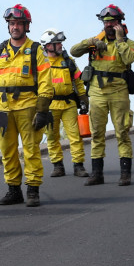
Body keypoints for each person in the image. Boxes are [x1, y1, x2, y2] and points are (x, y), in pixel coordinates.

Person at [0, 4, 53, 207]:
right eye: (12, 24)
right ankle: (14, 190)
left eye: (19, 24)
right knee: (7, 150)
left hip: (28, 107)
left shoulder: (35, 50)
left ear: (26, 26)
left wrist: (42, 109)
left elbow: (46, 80)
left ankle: (32, 190)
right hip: (3, 108)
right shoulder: (0, 51)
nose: (15, 27)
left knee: (31, 149)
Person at [70, 4, 134, 186]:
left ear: (120, 23)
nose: (109, 25)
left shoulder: (128, 43)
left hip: (119, 93)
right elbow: (73, 51)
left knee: (122, 132)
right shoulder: (95, 42)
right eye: (106, 22)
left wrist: (120, 40)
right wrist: (91, 41)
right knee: (97, 134)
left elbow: (130, 59)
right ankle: (97, 174)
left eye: (113, 21)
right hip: (97, 95)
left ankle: (125, 174)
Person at [39, 29, 89, 178]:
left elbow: (79, 81)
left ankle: (78, 166)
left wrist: (83, 99)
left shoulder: (68, 61)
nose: (60, 45)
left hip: (69, 104)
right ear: (48, 46)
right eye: (57, 43)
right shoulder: (41, 63)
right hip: (49, 106)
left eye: (60, 43)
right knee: (52, 137)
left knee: (75, 136)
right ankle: (57, 166)